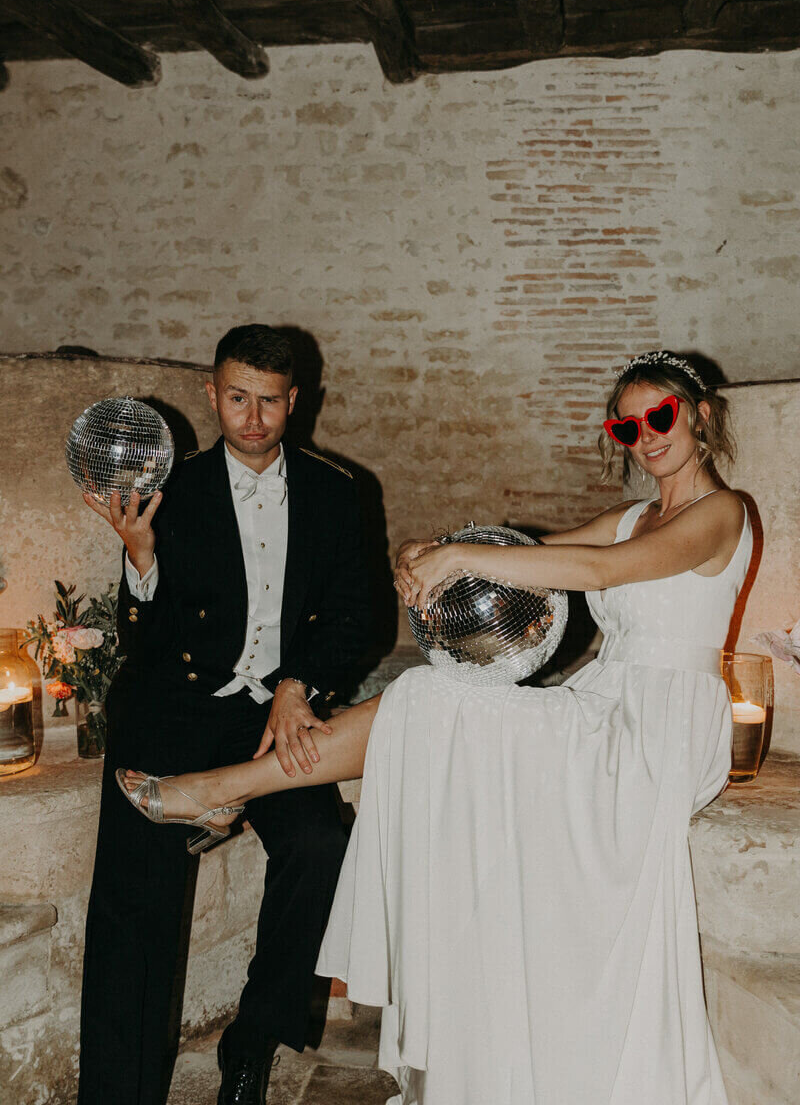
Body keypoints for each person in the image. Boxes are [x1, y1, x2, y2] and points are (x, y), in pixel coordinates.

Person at [118, 350, 751, 1105]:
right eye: (625, 424)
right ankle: (226, 791)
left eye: (660, 417)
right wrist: (433, 556)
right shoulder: (635, 514)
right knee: (427, 698)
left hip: (660, 730)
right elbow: (534, 555)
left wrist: (458, 555)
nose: (643, 438)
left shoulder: (724, 512)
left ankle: (224, 789)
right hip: (606, 703)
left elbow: (601, 573)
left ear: (701, 415)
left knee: (427, 699)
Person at [78, 324, 372, 1105]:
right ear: (213, 394)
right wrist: (141, 560)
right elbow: (145, 639)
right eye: (237, 398)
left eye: (269, 401)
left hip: (275, 716)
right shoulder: (170, 487)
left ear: (294, 401)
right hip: (171, 708)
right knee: (134, 897)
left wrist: (298, 681)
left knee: (318, 844)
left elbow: (362, 613)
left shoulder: (339, 493)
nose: (252, 417)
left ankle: (253, 1038)